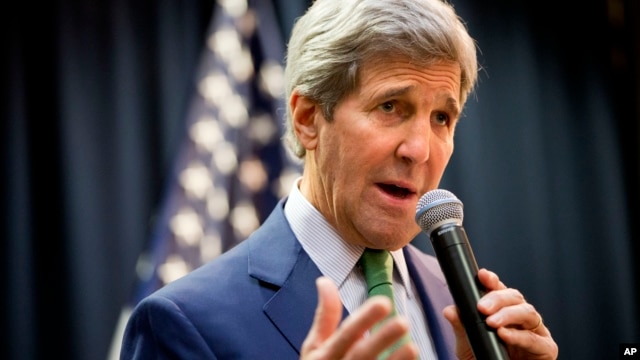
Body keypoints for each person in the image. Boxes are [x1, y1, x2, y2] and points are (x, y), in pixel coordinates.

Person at [120, 0, 559, 359]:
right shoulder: (181, 322)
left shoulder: (465, 304)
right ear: (308, 118)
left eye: (441, 117)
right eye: (391, 107)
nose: (419, 150)